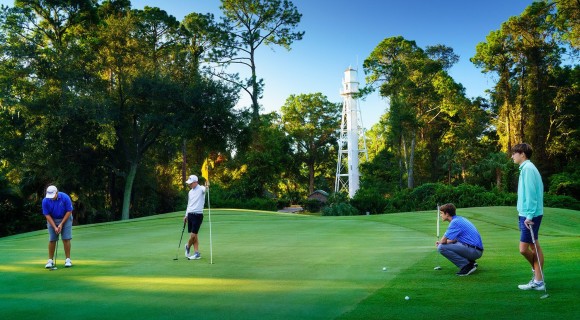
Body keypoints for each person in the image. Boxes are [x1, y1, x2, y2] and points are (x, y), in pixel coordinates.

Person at [511, 143, 545, 291]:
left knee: (524, 249)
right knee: (533, 245)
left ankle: (538, 275)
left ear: (522, 154)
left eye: (514, 153)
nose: (512, 156)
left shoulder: (529, 169)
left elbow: (532, 194)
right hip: (525, 214)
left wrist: (529, 215)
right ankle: (538, 278)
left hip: (530, 215)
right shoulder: (525, 169)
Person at [436, 203, 484, 276]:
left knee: (441, 247)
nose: (440, 215)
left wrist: (440, 243)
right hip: (475, 250)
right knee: (448, 244)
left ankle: (467, 266)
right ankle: (471, 262)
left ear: (447, 214)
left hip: (474, 251)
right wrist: (441, 242)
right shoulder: (459, 219)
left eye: (441, 213)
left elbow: (443, 241)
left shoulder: (455, 222)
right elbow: (454, 240)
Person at [42, 185, 74, 268]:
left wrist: (61, 224)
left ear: (56, 193)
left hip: (66, 218)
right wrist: (55, 227)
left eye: (53, 195)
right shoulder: (45, 200)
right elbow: (47, 215)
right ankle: (50, 260)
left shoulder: (65, 197)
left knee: (66, 238)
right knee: (52, 239)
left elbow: (69, 211)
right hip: (52, 219)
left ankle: (68, 260)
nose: (51, 198)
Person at [183, 175, 207, 260]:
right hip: (190, 215)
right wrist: (186, 215)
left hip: (198, 215)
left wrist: (207, 185)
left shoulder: (201, 188)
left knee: (193, 235)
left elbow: (205, 189)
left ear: (195, 182)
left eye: (191, 183)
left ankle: (187, 246)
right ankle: (197, 253)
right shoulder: (190, 192)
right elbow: (188, 205)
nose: (189, 184)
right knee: (195, 236)